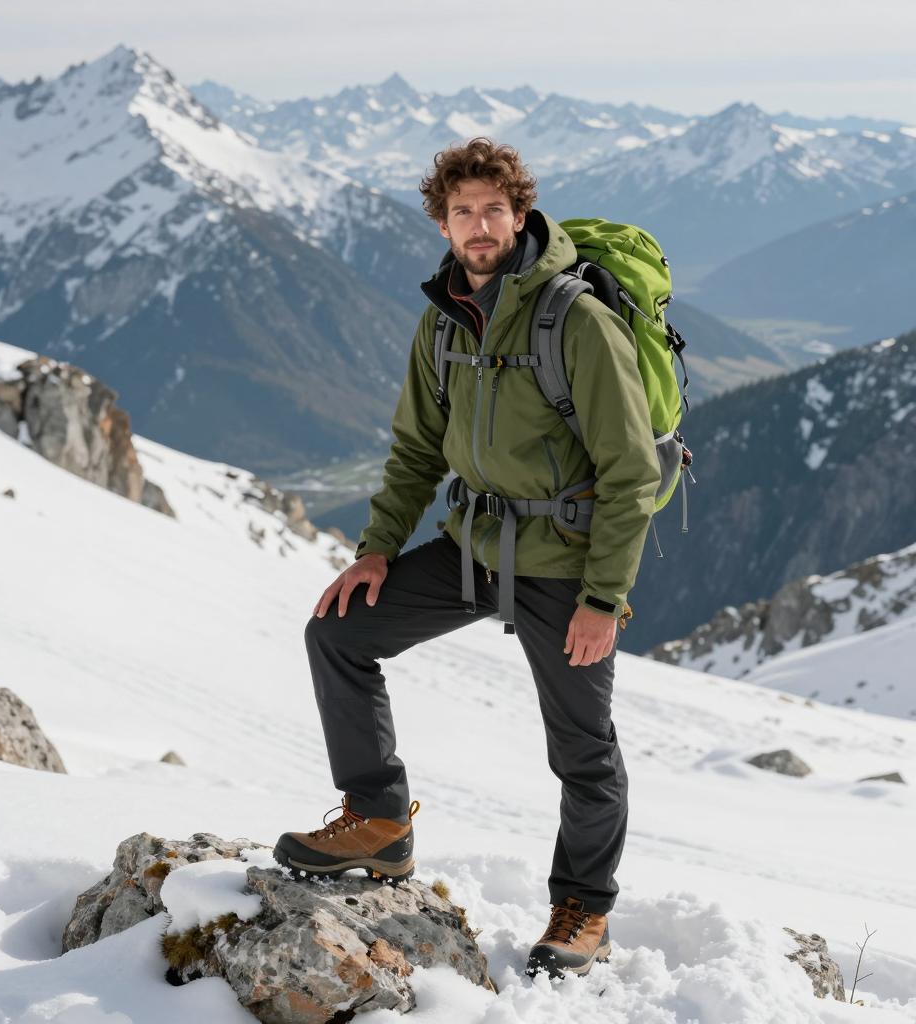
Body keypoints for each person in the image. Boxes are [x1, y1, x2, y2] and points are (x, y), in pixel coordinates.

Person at [274, 137, 661, 980]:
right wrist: (377, 551)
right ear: (442, 223)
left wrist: (604, 597)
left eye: (494, 210)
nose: (479, 227)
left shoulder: (577, 319)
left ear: (520, 215)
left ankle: (583, 907)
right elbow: (417, 448)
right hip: (475, 546)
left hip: (563, 560)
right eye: (462, 213)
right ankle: (378, 821)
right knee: (339, 632)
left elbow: (632, 472)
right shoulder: (444, 319)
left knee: (582, 748)